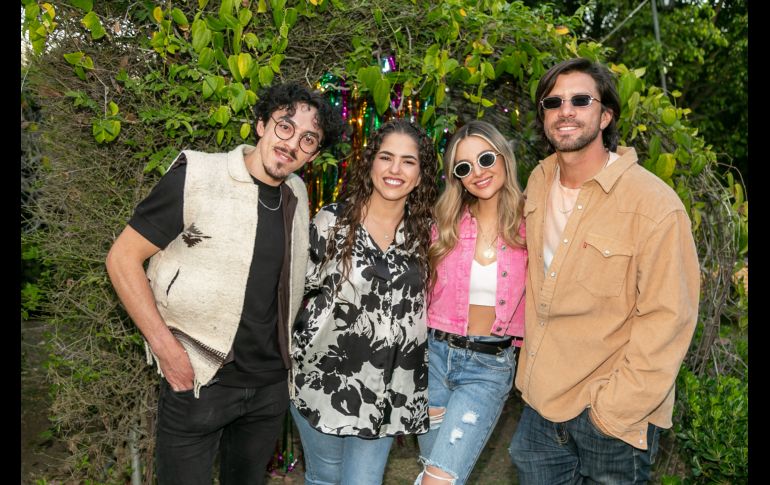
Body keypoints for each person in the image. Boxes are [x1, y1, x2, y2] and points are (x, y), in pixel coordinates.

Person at [105, 82, 343, 484]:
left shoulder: (298, 194)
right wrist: (166, 350)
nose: (292, 144)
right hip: (199, 379)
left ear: (314, 155)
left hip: (268, 389)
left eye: (308, 140)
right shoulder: (198, 174)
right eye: (285, 127)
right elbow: (122, 259)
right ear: (262, 124)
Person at [508, 58, 700, 484]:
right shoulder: (538, 181)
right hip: (541, 407)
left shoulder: (654, 205)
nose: (566, 110)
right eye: (553, 102)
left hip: (610, 417)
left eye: (580, 99)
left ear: (606, 114)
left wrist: (613, 409)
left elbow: (670, 317)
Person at [290, 119, 439, 485]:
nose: (394, 169)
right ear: (370, 163)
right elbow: (293, 291)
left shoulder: (431, 235)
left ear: (420, 176)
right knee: (325, 478)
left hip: (390, 389)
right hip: (322, 378)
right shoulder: (331, 222)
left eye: (408, 161)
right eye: (386, 157)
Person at [414, 120, 527, 485]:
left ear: (504, 157)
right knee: (431, 464)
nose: (477, 172)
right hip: (433, 358)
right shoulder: (444, 223)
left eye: (485, 159)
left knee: (439, 479)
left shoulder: (533, 223)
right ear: (457, 178)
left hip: (488, 367)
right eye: (464, 167)